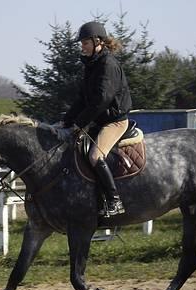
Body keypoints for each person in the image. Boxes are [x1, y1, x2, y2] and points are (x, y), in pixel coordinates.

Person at [57, 21, 132, 216]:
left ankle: (115, 201)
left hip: (115, 121)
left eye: (85, 43)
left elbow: (101, 101)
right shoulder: (92, 65)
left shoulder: (108, 65)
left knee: (95, 156)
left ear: (98, 41)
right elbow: (82, 99)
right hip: (100, 120)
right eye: (82, 43)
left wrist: (79, 124)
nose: (82, 46)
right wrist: (67, 121)